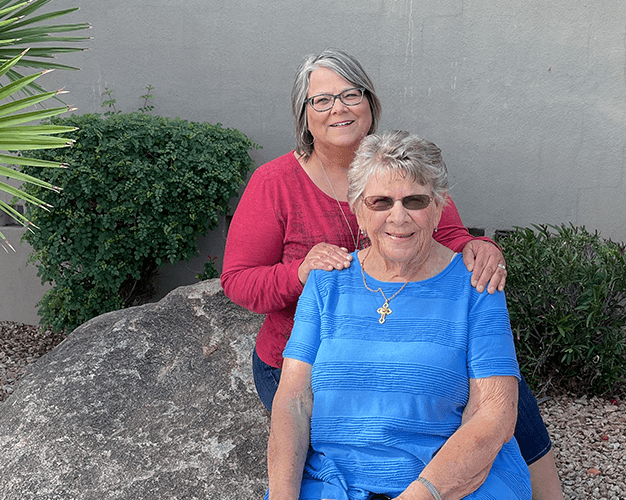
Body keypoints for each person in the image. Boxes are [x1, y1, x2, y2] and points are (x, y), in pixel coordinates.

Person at [221, 49, 563, 499]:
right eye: (321, 100)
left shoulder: (404, 164)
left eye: (350, 94)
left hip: (426, 332)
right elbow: (238, 280)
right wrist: (300, 274)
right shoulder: (276, 184)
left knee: (504, 409)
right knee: (337, 446)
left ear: (370, 102)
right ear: (303, 115)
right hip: (310, 355)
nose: (338, 108)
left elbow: (452, 235)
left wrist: (482, 250)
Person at [268, 130, 531, 499]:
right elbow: (293, 402)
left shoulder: (476, 285)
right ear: (358, 209)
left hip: (446, 482)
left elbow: (494, 414)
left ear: (439, 207)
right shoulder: (327, 284)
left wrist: (420, 494)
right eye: (380, 202)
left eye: (415, 200)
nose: (398, 216)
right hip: (335, 482)